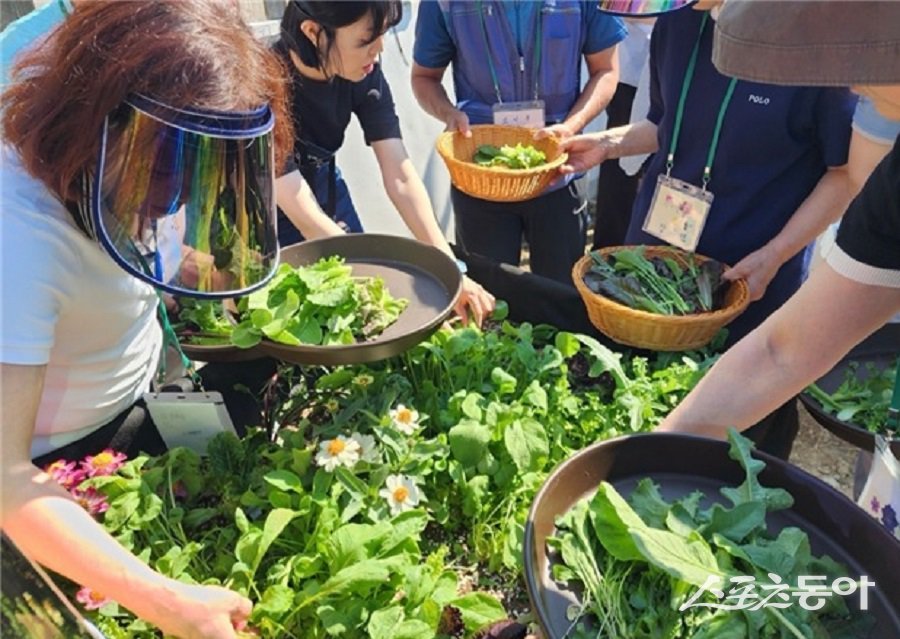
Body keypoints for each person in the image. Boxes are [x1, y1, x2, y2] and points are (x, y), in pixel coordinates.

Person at [0, 1, 296, 636]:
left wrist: (221, 277)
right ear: (93, 116)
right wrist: (165, 602)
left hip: (137, 401)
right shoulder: (20, 235)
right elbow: (4, 481)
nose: (178, 192)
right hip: (59, 469)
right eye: (169, 168)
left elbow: (145, 248)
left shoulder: (127, 160)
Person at [655, 0, 900, 441]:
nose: (849, 84)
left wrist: (776, 252)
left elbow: (841, 175)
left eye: (860, 56)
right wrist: (643, 456)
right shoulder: (891, 192)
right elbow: (779, 352)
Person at [274, 0, 495, 325]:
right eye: (365, 41)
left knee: (362, 314)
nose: (377, 51)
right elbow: (296, 204)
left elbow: (400, 176)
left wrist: (450, 269)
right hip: (262, 209)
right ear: (313, 32)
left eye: (383, 35)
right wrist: (376, 276)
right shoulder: (264, 82)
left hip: (323, 183)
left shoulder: (364, 73)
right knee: (297, 322)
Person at [411, 0, 626, 284]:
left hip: (558, 169)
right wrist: (448, 113)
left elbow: (606, 70)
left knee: (561, 294)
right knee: (489, 297)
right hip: (481, 175)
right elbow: (424, 77)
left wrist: (572, 125)